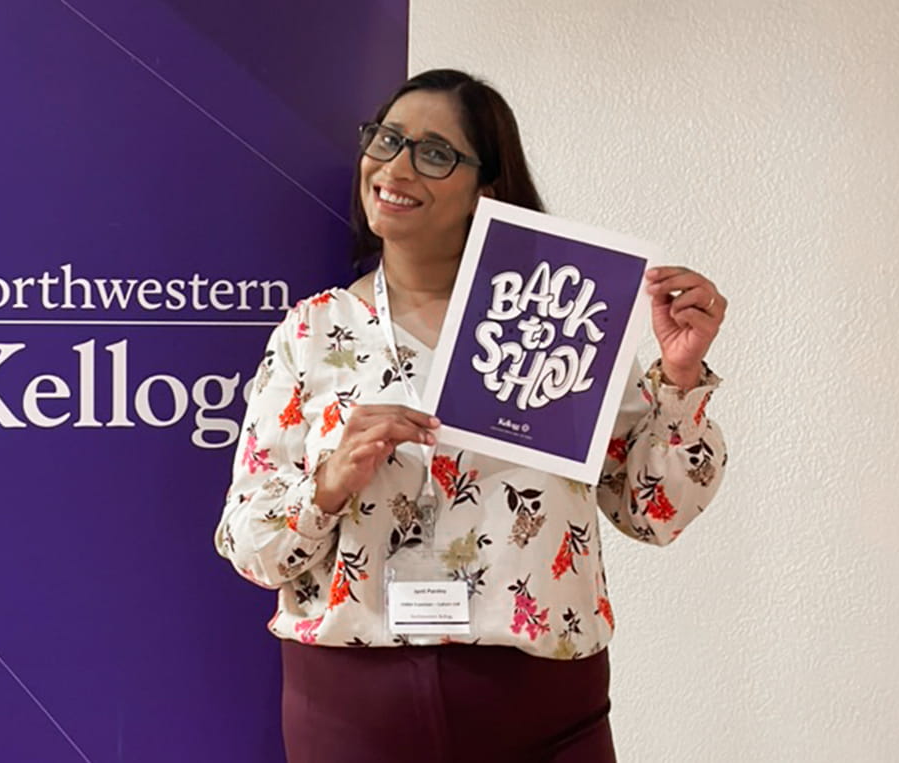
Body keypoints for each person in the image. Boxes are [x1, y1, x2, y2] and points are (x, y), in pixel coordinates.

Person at [213, 69, 728, 763]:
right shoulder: (312, 333)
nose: (395, 167)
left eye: (434, 153)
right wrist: (328, 484)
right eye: (386, 140)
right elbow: (250, 548)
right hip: (352, 714)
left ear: (487, 188)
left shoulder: (562, 321)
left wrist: (681, 377)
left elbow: (653, 513)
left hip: (544, 710)